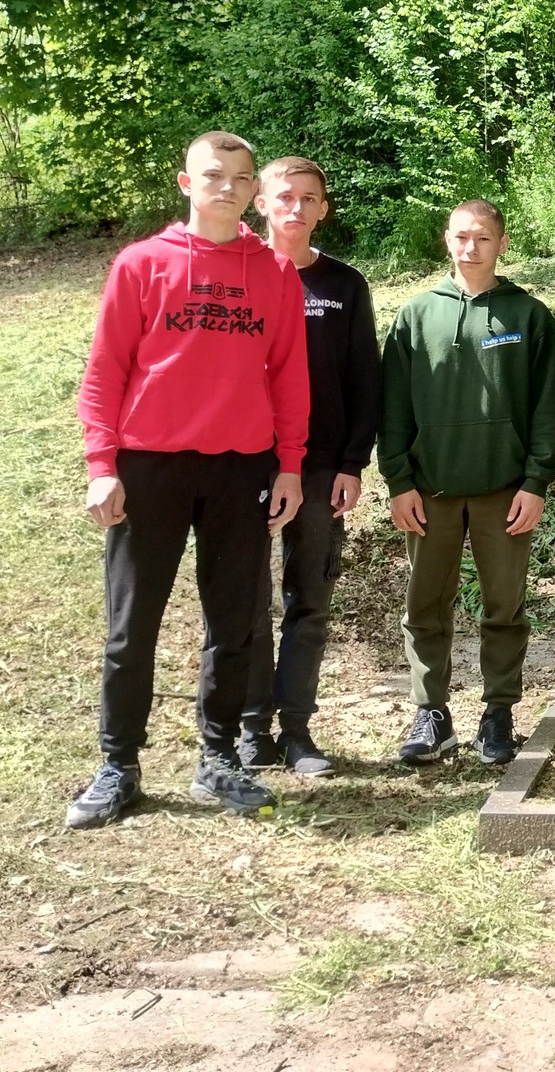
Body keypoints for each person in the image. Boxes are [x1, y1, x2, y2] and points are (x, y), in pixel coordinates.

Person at [68, 131, 309, 829]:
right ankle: (118, 766)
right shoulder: (143, 263)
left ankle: (219, 758)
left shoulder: (275, 272)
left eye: (240, 177)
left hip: (241, 467)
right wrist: (101, 466)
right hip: (151, 466)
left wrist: (290, 463)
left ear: (253, 190)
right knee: (131, 626)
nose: (226, 187)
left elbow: (289, 376)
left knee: (234, 623)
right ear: (186, 183)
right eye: (213, 175)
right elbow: (105, 370)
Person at [379, 199, 555, 767]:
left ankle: (498, 712)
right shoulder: (415, 315)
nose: (471, 248)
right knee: (425, 606)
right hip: (428, 491)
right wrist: (398, 481)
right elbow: (393, 406)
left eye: (482, 238)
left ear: (501, 243)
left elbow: (545, 408)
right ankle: (431, 714)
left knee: (504, 607)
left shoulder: (529, 316)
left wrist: (535, 482)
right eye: (461, 237)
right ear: (447, 240)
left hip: (504, 491)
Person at [241, 156, 380, 777]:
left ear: (323, 209)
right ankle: (251, 729)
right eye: (284, 196)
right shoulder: (238, 275)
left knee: (310, 598)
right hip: (244, 462)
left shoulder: (344, 285)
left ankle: (296, 729)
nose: (296, 207)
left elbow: (364, 379)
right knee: (245, 601)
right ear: (261, 203)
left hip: (322, 466)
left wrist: (353, 462)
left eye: (309, 198)